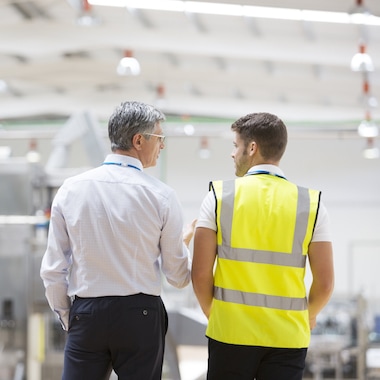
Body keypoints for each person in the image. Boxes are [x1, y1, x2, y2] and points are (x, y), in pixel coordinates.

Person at [40, 101, 194, 380]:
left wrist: (70, 317)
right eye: (160, 138)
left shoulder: (70, 190)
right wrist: (183, 243)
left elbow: (53, 269)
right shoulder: (161, 196)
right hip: (140, 316)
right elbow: (178, 276)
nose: (163, 146)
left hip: (86, 312)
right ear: (139, 140)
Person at [191, 112, 334, 380]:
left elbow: (199, 274)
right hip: (288, 338)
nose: (232, 154)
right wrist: (307, 316)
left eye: (235, 145)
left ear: (252, 148)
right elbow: (325, 284)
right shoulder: (312, 204)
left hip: (230, 333)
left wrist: (217, 315)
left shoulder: (218, 197)